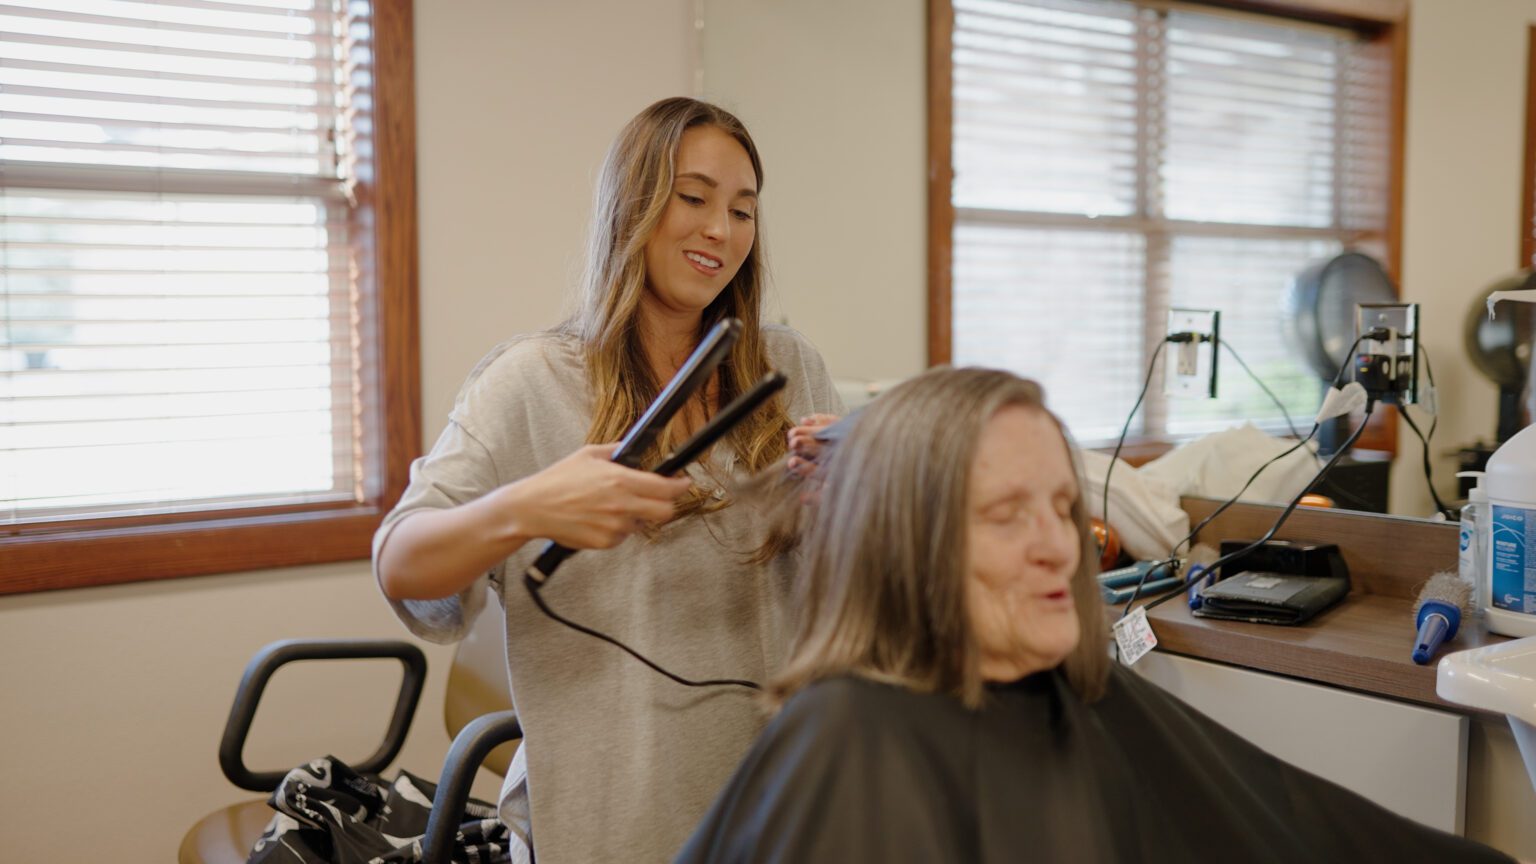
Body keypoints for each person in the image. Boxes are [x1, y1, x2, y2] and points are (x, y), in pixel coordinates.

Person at [676, 367, 1515, 864]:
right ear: (907, 541)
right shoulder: (856, 746)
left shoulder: (1080, 699)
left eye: (1061, 505)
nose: (1058, 544)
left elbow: (1304, 830)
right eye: (1006, 514)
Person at [373, 97, 842, 864]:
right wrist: (525, 507)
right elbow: (401, 562)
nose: (719, 231)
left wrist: (854, 497)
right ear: (634, 205)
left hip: (778, 801)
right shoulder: (530, 382)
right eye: (692, 198)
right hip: (613, 820)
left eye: (743, 210)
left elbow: (850, 585)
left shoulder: (789, 370)